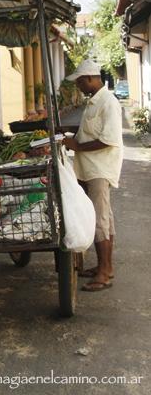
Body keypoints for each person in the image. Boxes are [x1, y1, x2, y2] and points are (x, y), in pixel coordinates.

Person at [62, 58, 123, 292]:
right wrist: (68, 136)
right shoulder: (93, 102)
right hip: (89, 168)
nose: (78, 86)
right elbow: (87, 133)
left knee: (100, 220)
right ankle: (104, 267)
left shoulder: (108, 102)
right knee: (103, 219)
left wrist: (76, 147)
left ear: (90, 79)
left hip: (100, 169)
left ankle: (104, 272)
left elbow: (108, 140)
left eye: (79, 82)